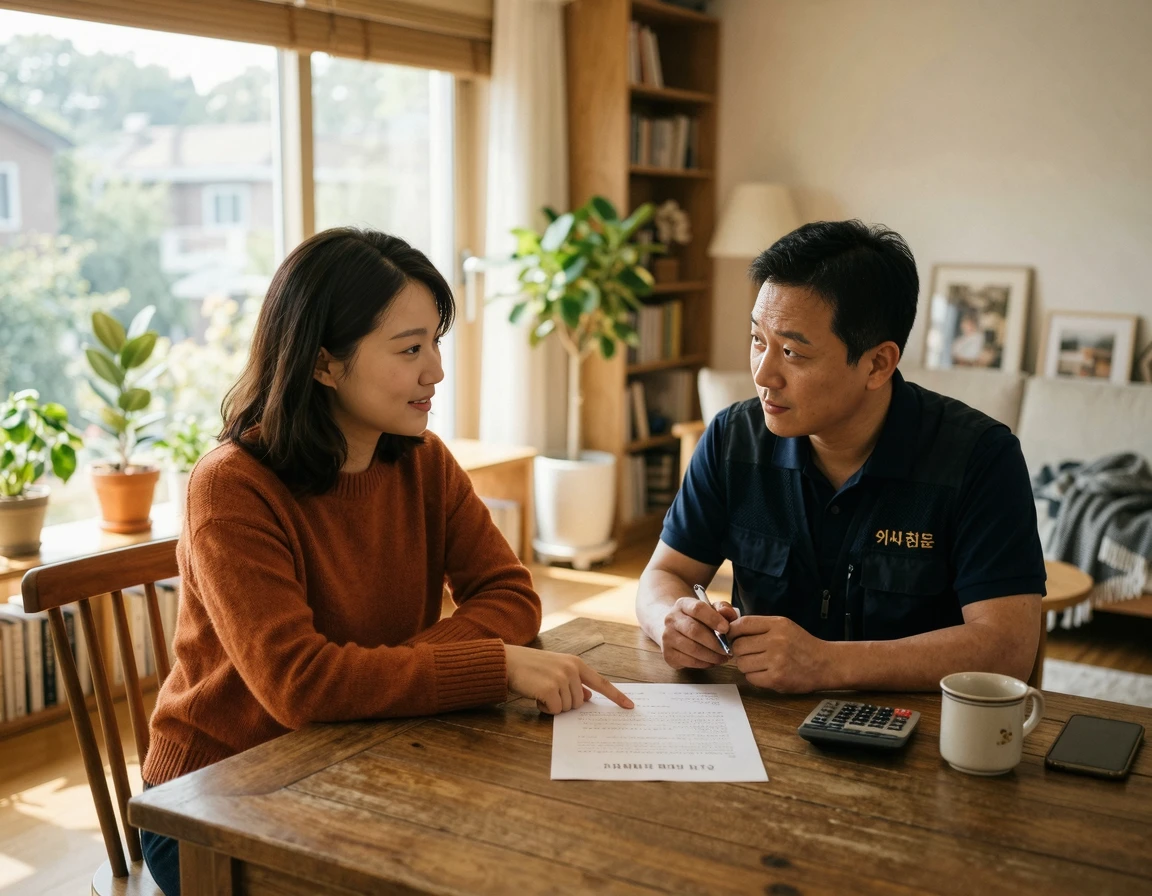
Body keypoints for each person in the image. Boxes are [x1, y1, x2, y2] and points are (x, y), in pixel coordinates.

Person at [140, 228, 632, 895]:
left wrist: (405, 670)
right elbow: (301, 686)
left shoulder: (422, 459)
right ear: (323, 364)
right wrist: (489, 665)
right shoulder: (232, 486)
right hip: (222, 795)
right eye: (410, 349)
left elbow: (510, 595)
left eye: (435, 342)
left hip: (370, 742)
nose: (435, 371)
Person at [635, 220, 1045, 694]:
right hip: (759, 727)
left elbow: (1008, 648)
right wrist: (672, 618)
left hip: (922, 733)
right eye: (756, 340)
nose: (764, 373)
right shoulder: (733, 438)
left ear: (877, 364)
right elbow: (664, 574)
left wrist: (828, 664)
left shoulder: (980, 458)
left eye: (791, 351)